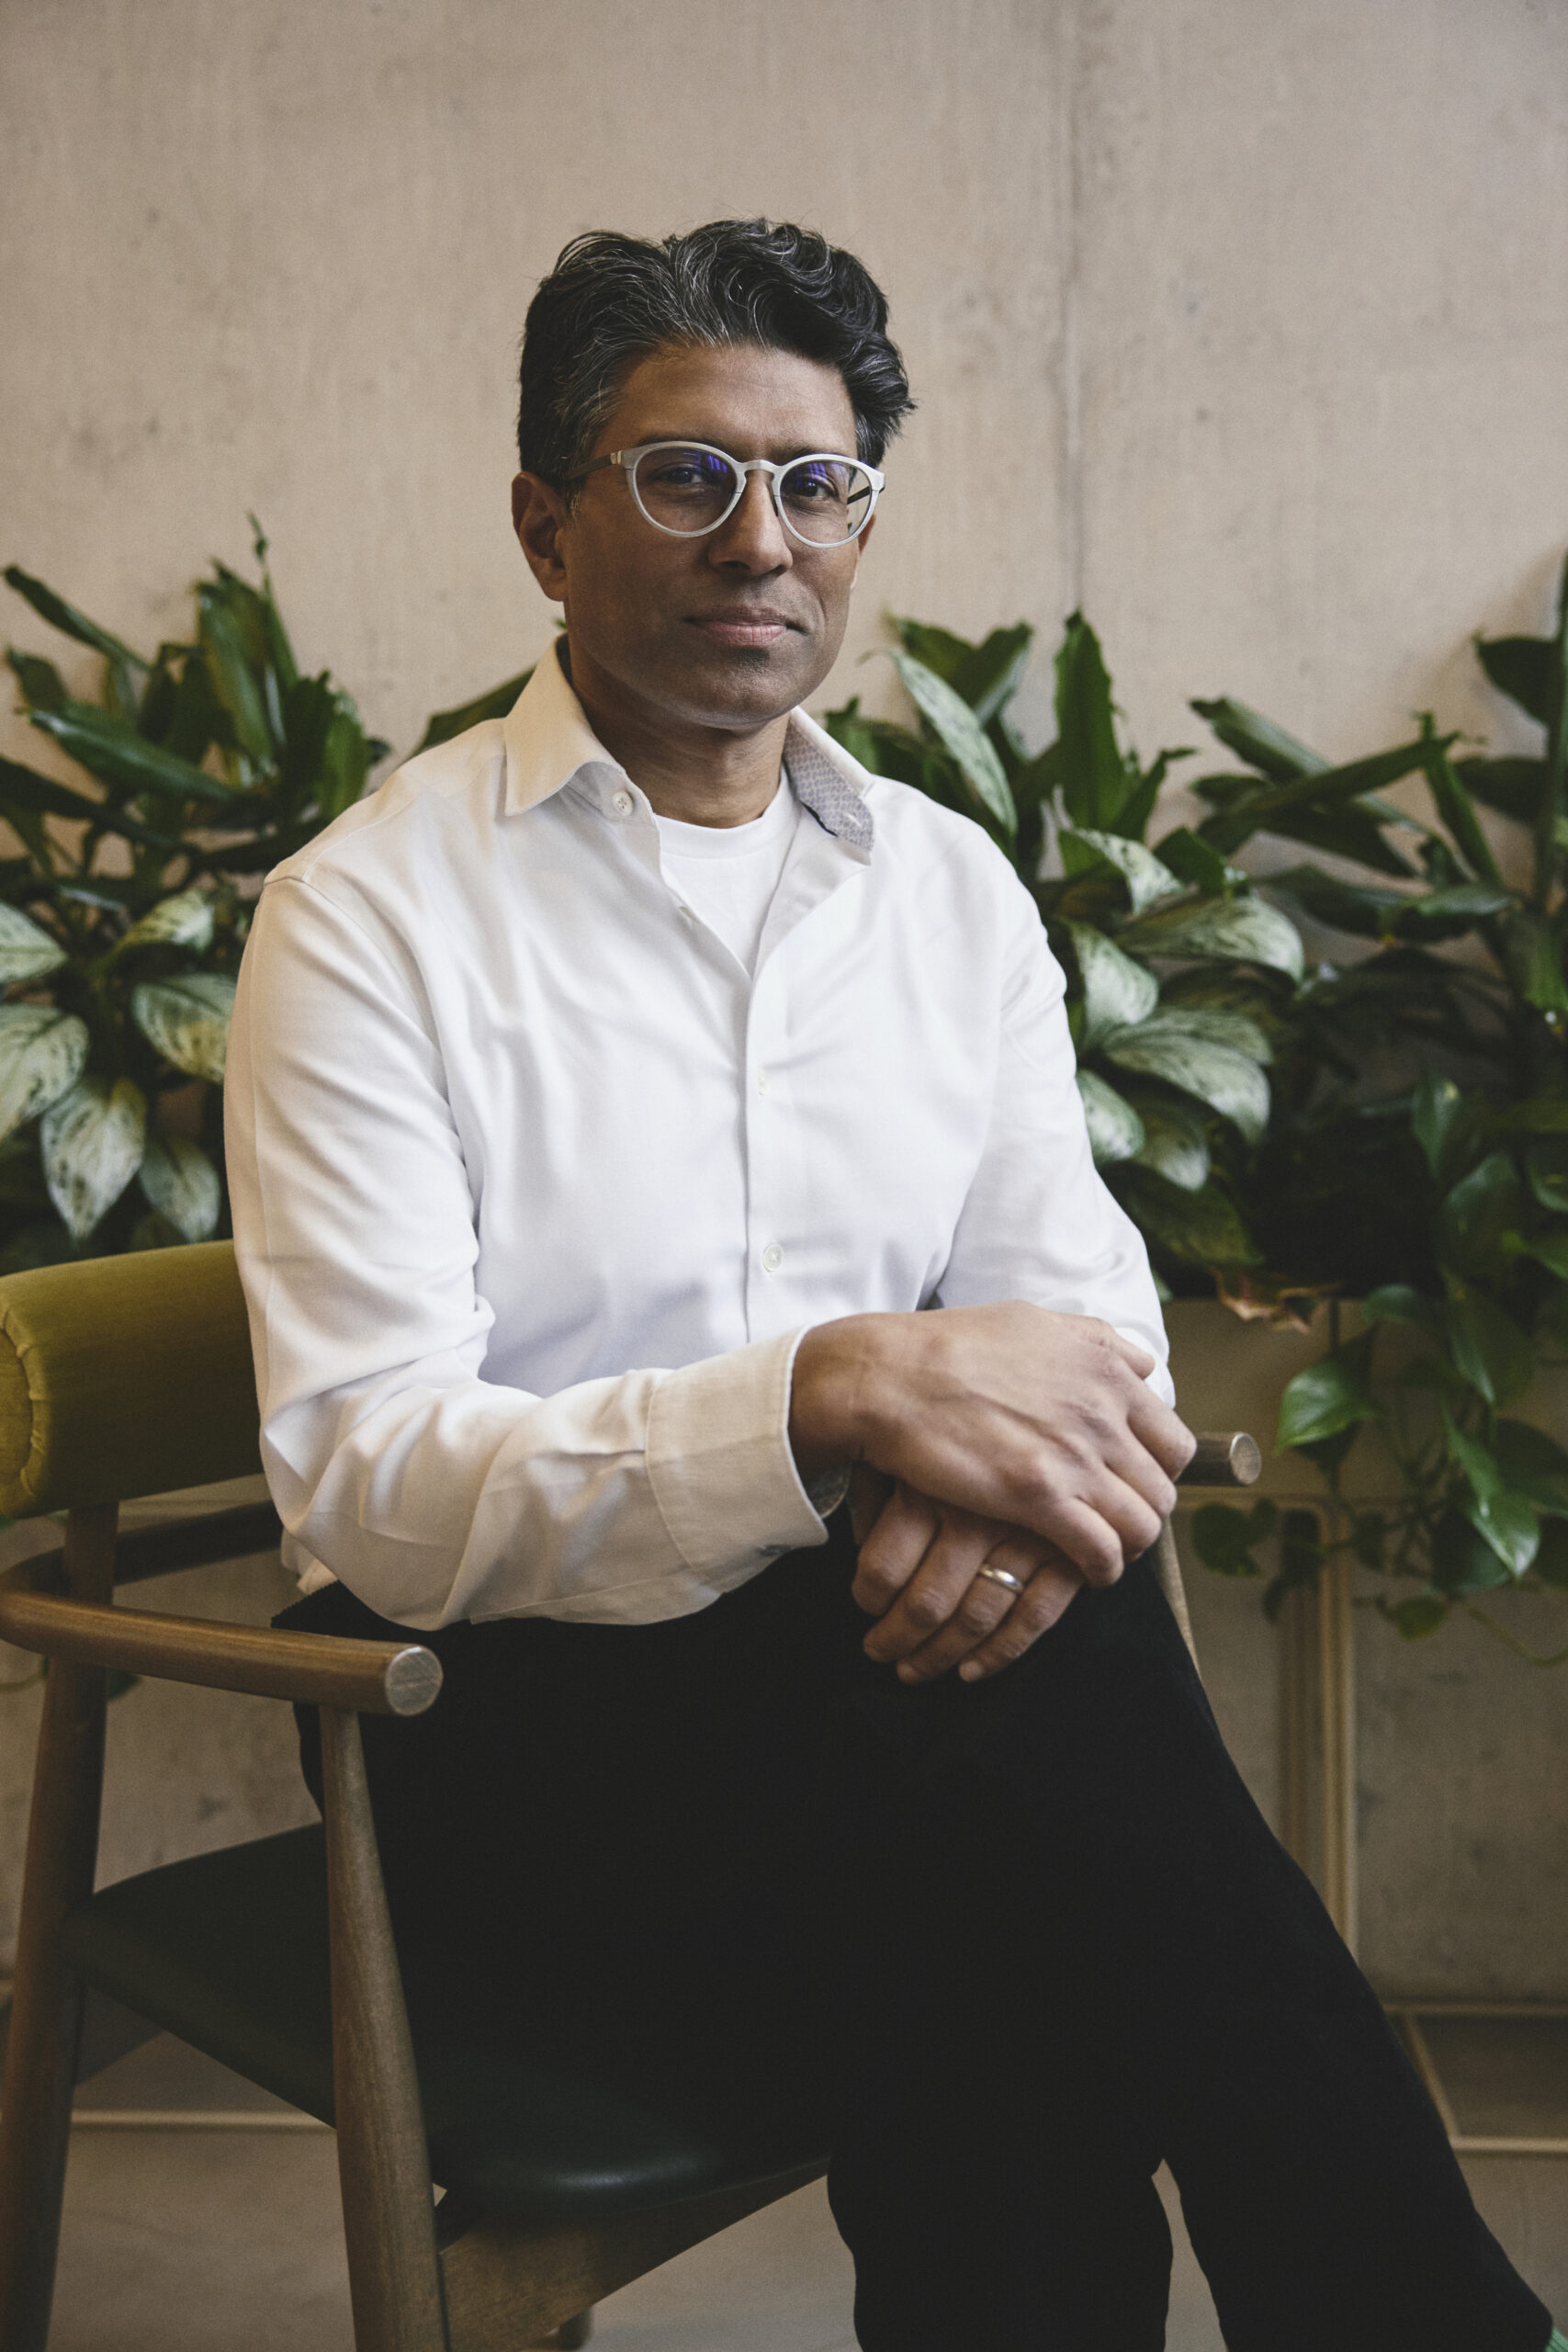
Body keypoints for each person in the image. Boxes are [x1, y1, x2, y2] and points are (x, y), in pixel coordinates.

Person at [227, 220, 1560, 2351]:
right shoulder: (367, 919)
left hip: (903, 1689)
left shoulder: (941, 892)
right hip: (494, 1721)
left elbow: (1082, 1328)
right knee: (1037, 1799)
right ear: (541, 523)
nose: (762, 539)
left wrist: (985, 1497)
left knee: (995, 1929)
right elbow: (370, 1489)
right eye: (686, 475)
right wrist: (827, 1396)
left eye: (817, 480)